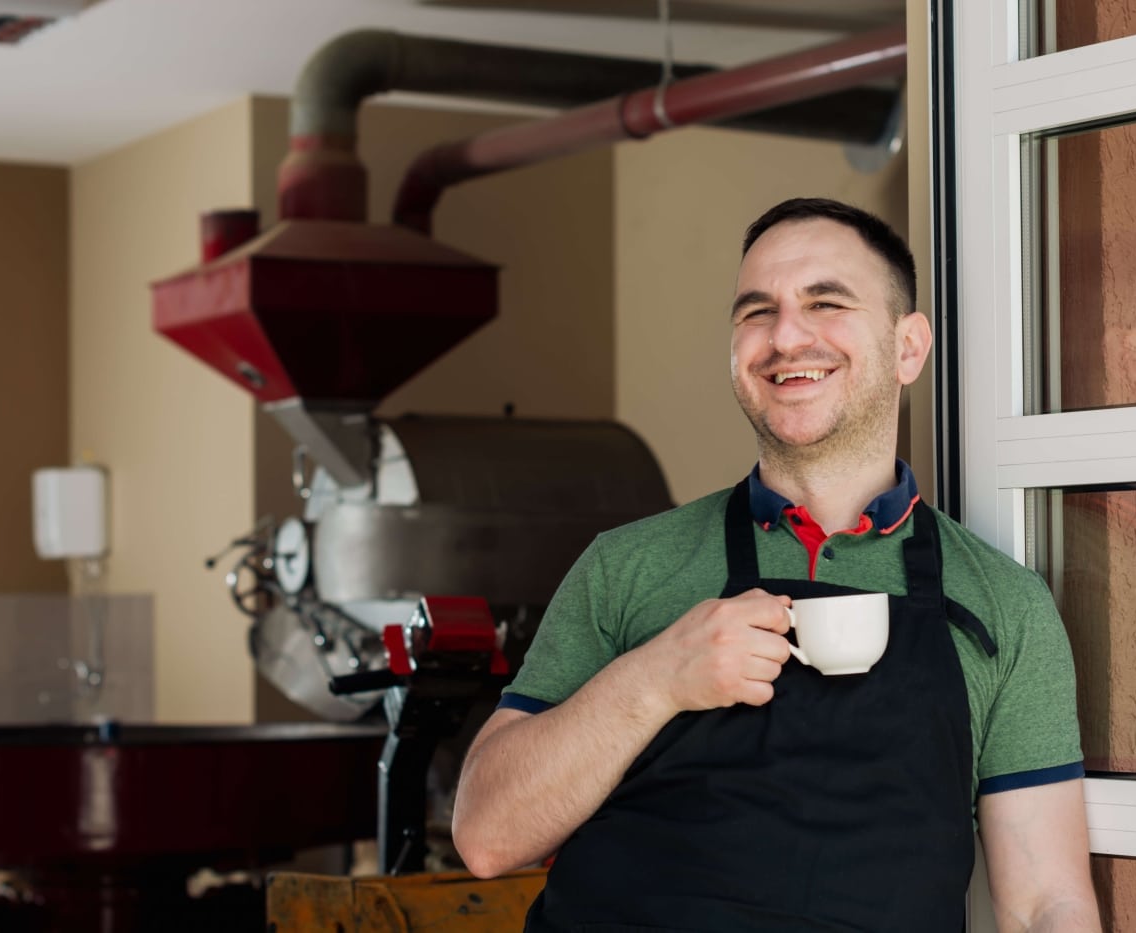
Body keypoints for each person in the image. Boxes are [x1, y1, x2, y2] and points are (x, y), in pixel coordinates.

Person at [452, 198, 1101, 931]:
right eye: (757, 312)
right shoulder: (626, 567)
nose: (786, 337)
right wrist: (656, 679)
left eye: (826, 303)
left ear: (909, 348)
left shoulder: (1003, 604)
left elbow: (1045, 903)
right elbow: (487, 837)